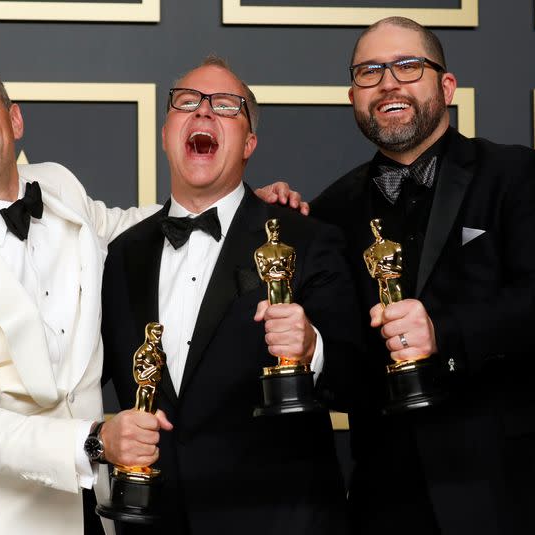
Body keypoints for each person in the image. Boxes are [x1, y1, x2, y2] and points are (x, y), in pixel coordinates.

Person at [0, 49, 301, 535]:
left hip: (88, 513)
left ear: (13, 119)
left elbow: (129, 230)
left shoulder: (56, 184)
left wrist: (236, 206)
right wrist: (97, 440)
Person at [309, 17, 535, 535]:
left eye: (408, 66)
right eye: (369, 71)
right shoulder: (328, 211)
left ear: (446, 86)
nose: (388, 82)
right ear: (353, 96)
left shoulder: (518, 174)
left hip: (520, 490)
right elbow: (342, 363)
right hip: (389, 499)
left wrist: (441, 330)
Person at [99, 56, 358, 535]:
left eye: (225, 105)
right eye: (187, 103)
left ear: (249, 144)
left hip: (279, 522)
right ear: (164, 133)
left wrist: (311, 348)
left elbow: (359, 374)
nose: (203, 113)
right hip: (158, 523)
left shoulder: (306, 239)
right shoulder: (120, 256)